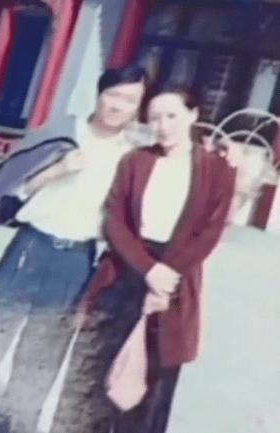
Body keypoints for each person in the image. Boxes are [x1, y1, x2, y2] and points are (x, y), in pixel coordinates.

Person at [0, 66, 148, 433]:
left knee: (42, 356)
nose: (118, 106)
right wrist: (55, 172)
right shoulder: (62, 133)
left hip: (78, 261)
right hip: (31, 247)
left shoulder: (131, 158)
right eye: (113, 95)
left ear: (138, 108)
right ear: (99, 95)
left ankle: (16, 426)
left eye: (129, 100)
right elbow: (9, 195)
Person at [49, 84, 237, 433]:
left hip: (175, 281)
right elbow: (115, 220)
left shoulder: (217, 169)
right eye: (155, 118)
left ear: (193, 115)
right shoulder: (135, 161)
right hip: (125, 271)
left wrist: (167, 275)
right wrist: (149, 270)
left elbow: (210, 232)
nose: (163, 126)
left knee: (152, 383)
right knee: (91, 375)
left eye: (172, 116)